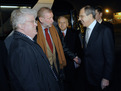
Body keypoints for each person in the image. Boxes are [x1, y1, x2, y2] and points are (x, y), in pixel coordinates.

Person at [7, 8, 60, 91]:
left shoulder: (27, 42)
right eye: (32, 21)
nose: (36, 24)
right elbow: (29, 84)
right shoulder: (21, 49)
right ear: (20, 25)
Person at [36, 7, 80, 88]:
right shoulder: (34, 31)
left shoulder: (55, 27)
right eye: (49, 18)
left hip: (57, 67)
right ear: (41, 19)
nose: (53, 20)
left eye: (52, 17)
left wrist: (73, 57)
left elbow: (62, 45)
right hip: (44, 69)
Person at [78, 5, 114, 91]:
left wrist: (106, 77)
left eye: (81, 16)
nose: (79, 19)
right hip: (88, 76)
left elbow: (110, 57)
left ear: (90, 16)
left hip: (100, 77)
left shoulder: (104, 31)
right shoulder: (86, 29)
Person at [57, 16, 84, 91]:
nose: (62, 25)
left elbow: (79, 49)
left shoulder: (74, 33)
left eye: (64, 22)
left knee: (73, 85)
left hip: (71, 64)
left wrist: (78, 61)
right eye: (60, 23)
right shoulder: (54, 34)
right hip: (60, 65)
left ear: (68, 23)